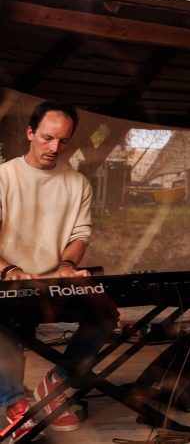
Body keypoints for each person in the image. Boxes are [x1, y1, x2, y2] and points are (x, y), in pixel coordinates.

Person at [0, 101, 117, 442]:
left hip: (54, 282)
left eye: (63, 141)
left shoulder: (77, 183)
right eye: (48, 138)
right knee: (3, 324)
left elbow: (80, 235)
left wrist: (67, 265)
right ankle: (14, 404)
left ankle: (55, 383)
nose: (55, 148)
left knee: (105, 314)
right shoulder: (4, 177)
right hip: (8, 280)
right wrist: (11, 272)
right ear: (30, 133)